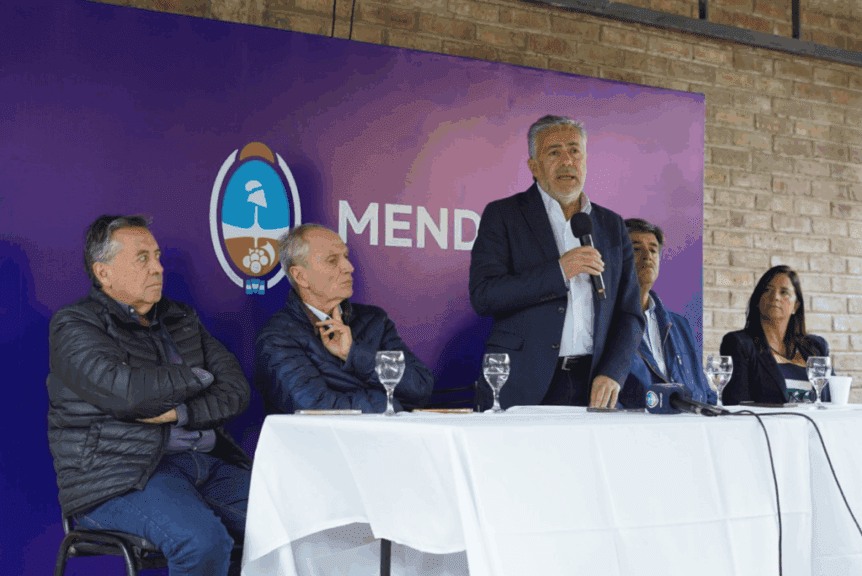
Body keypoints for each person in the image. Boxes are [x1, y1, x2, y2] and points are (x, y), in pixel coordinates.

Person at [46, 215, 252, 576]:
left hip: (204, 462)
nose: (157, 268)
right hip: (119, 476)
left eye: (157, 256)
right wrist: (198, 377)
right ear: (104, 272)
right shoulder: (75, 323)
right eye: (142, 258)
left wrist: (179, 413)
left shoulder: (180, 317)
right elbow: (126, 394)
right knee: (202, 543)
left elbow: (236, 391)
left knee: (295, 526)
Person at [469, 115, 644, 409]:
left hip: (593, 384)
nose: (567, 161)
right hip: (522, 381)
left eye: (575, 151)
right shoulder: (504, 215)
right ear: (534, 166)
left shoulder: (612, 225)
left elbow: (630, 313)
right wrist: (560, 271)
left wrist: (614, 372)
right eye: (554, 152)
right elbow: (484, 295)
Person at [255, 223, 434, 413]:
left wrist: (353, 353)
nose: (349, 267)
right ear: (300, 276)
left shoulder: (375, 320)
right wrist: (390, 404)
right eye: (332, 260)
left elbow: (420, 388)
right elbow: (315, 409)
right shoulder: (277, 337)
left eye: (346, 257)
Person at [620, 218, 716, 407]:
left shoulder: (679, 325)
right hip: (637, 422)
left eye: (653, 250)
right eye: (636, 249)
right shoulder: (606, 322)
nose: (647, 256)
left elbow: (705, 391)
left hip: (689, 421)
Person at [720, 265, 831, 405]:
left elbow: (832, 399)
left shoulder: (816, 347)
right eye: (767, 290)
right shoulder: (739, 344)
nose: (775, 297)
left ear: (796, 306)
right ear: (758, 300)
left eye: (784, 292)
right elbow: (737, 406)